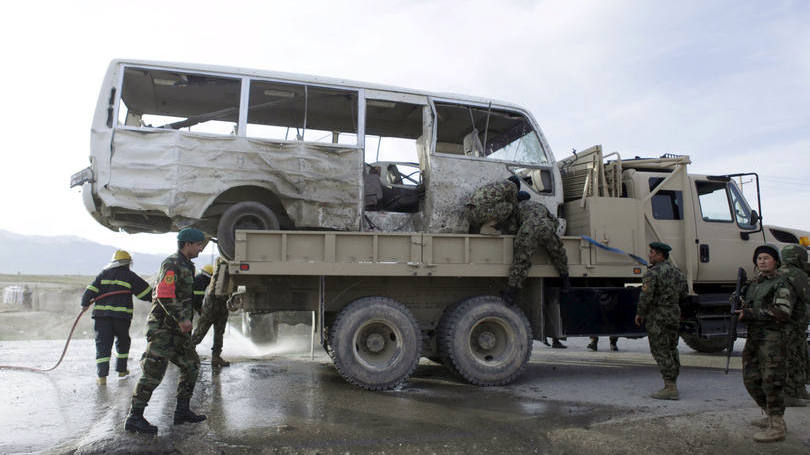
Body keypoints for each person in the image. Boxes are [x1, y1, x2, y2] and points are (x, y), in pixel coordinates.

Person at [124, 228, 207, 435]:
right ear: (187, 244)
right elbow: (164, 294)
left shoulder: (187, 265)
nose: (201, 249)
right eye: (198, 245)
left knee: (191, 365)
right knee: (153, 373)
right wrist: (181, 319)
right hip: (163, 329)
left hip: (178, 332)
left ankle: (182, 411)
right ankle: (134, 417)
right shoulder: (172, 264)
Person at [737, 244, 794, 442]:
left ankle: (777, 426)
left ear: (775, 261)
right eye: (759, 258)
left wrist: (751, 313)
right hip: (755, 337)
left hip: (772, 340)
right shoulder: (754, 284)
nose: (762, 261)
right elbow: (745, 303)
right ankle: (771, 415)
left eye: (766, 258)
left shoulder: (781, 283)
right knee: (751, 379)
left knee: (772, 381)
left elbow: (782, 312)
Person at [81, 250, 152, 385]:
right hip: (121, 318)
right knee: (123, 342)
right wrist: (156, 299)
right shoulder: (130, 276)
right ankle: (121, 370)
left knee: (103, 345)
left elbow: (90, 290)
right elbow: (146, 293)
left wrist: (84, 304)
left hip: (102, 318)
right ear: (128, 263)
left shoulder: (103, 274)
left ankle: (102, 377)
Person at [634, 242, 688, 400]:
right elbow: (684, 293)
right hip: (673, 314)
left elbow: (646, 296)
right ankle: (673, 381)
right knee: (671, 348)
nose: (649, 255)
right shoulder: (677, 273)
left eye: (652, 252)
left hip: (657, 316)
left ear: (659, 255)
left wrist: (640, 313)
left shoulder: (652, 273)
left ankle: (670, 387)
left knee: (660, 349)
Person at [502, 193, 569, 303]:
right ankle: (566, 282)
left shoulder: (517, 207)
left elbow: (512, 228)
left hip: (529, 228)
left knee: (521, 260)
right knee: (558, 253)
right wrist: (549, 231)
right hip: (546, 225)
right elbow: (555, 221)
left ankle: (511, 294)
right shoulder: (540, 205)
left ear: (517, 199)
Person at [778, 245, 809, 404]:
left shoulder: (778, 272)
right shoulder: (797, 274)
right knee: (793, 358)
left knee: (796, 356)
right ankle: (789, 394)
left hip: (782, 323)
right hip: (792, 324)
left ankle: (798, 390)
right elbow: (807, 295)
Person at [192, 258, 231, 367]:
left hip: (220, 307)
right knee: (200, 332)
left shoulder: (225, 277)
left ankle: (216, 357)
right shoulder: (209, 279)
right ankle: (186, 353)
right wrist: (199, 309)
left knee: (217, 333)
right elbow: (198, 297)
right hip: (212, 308)